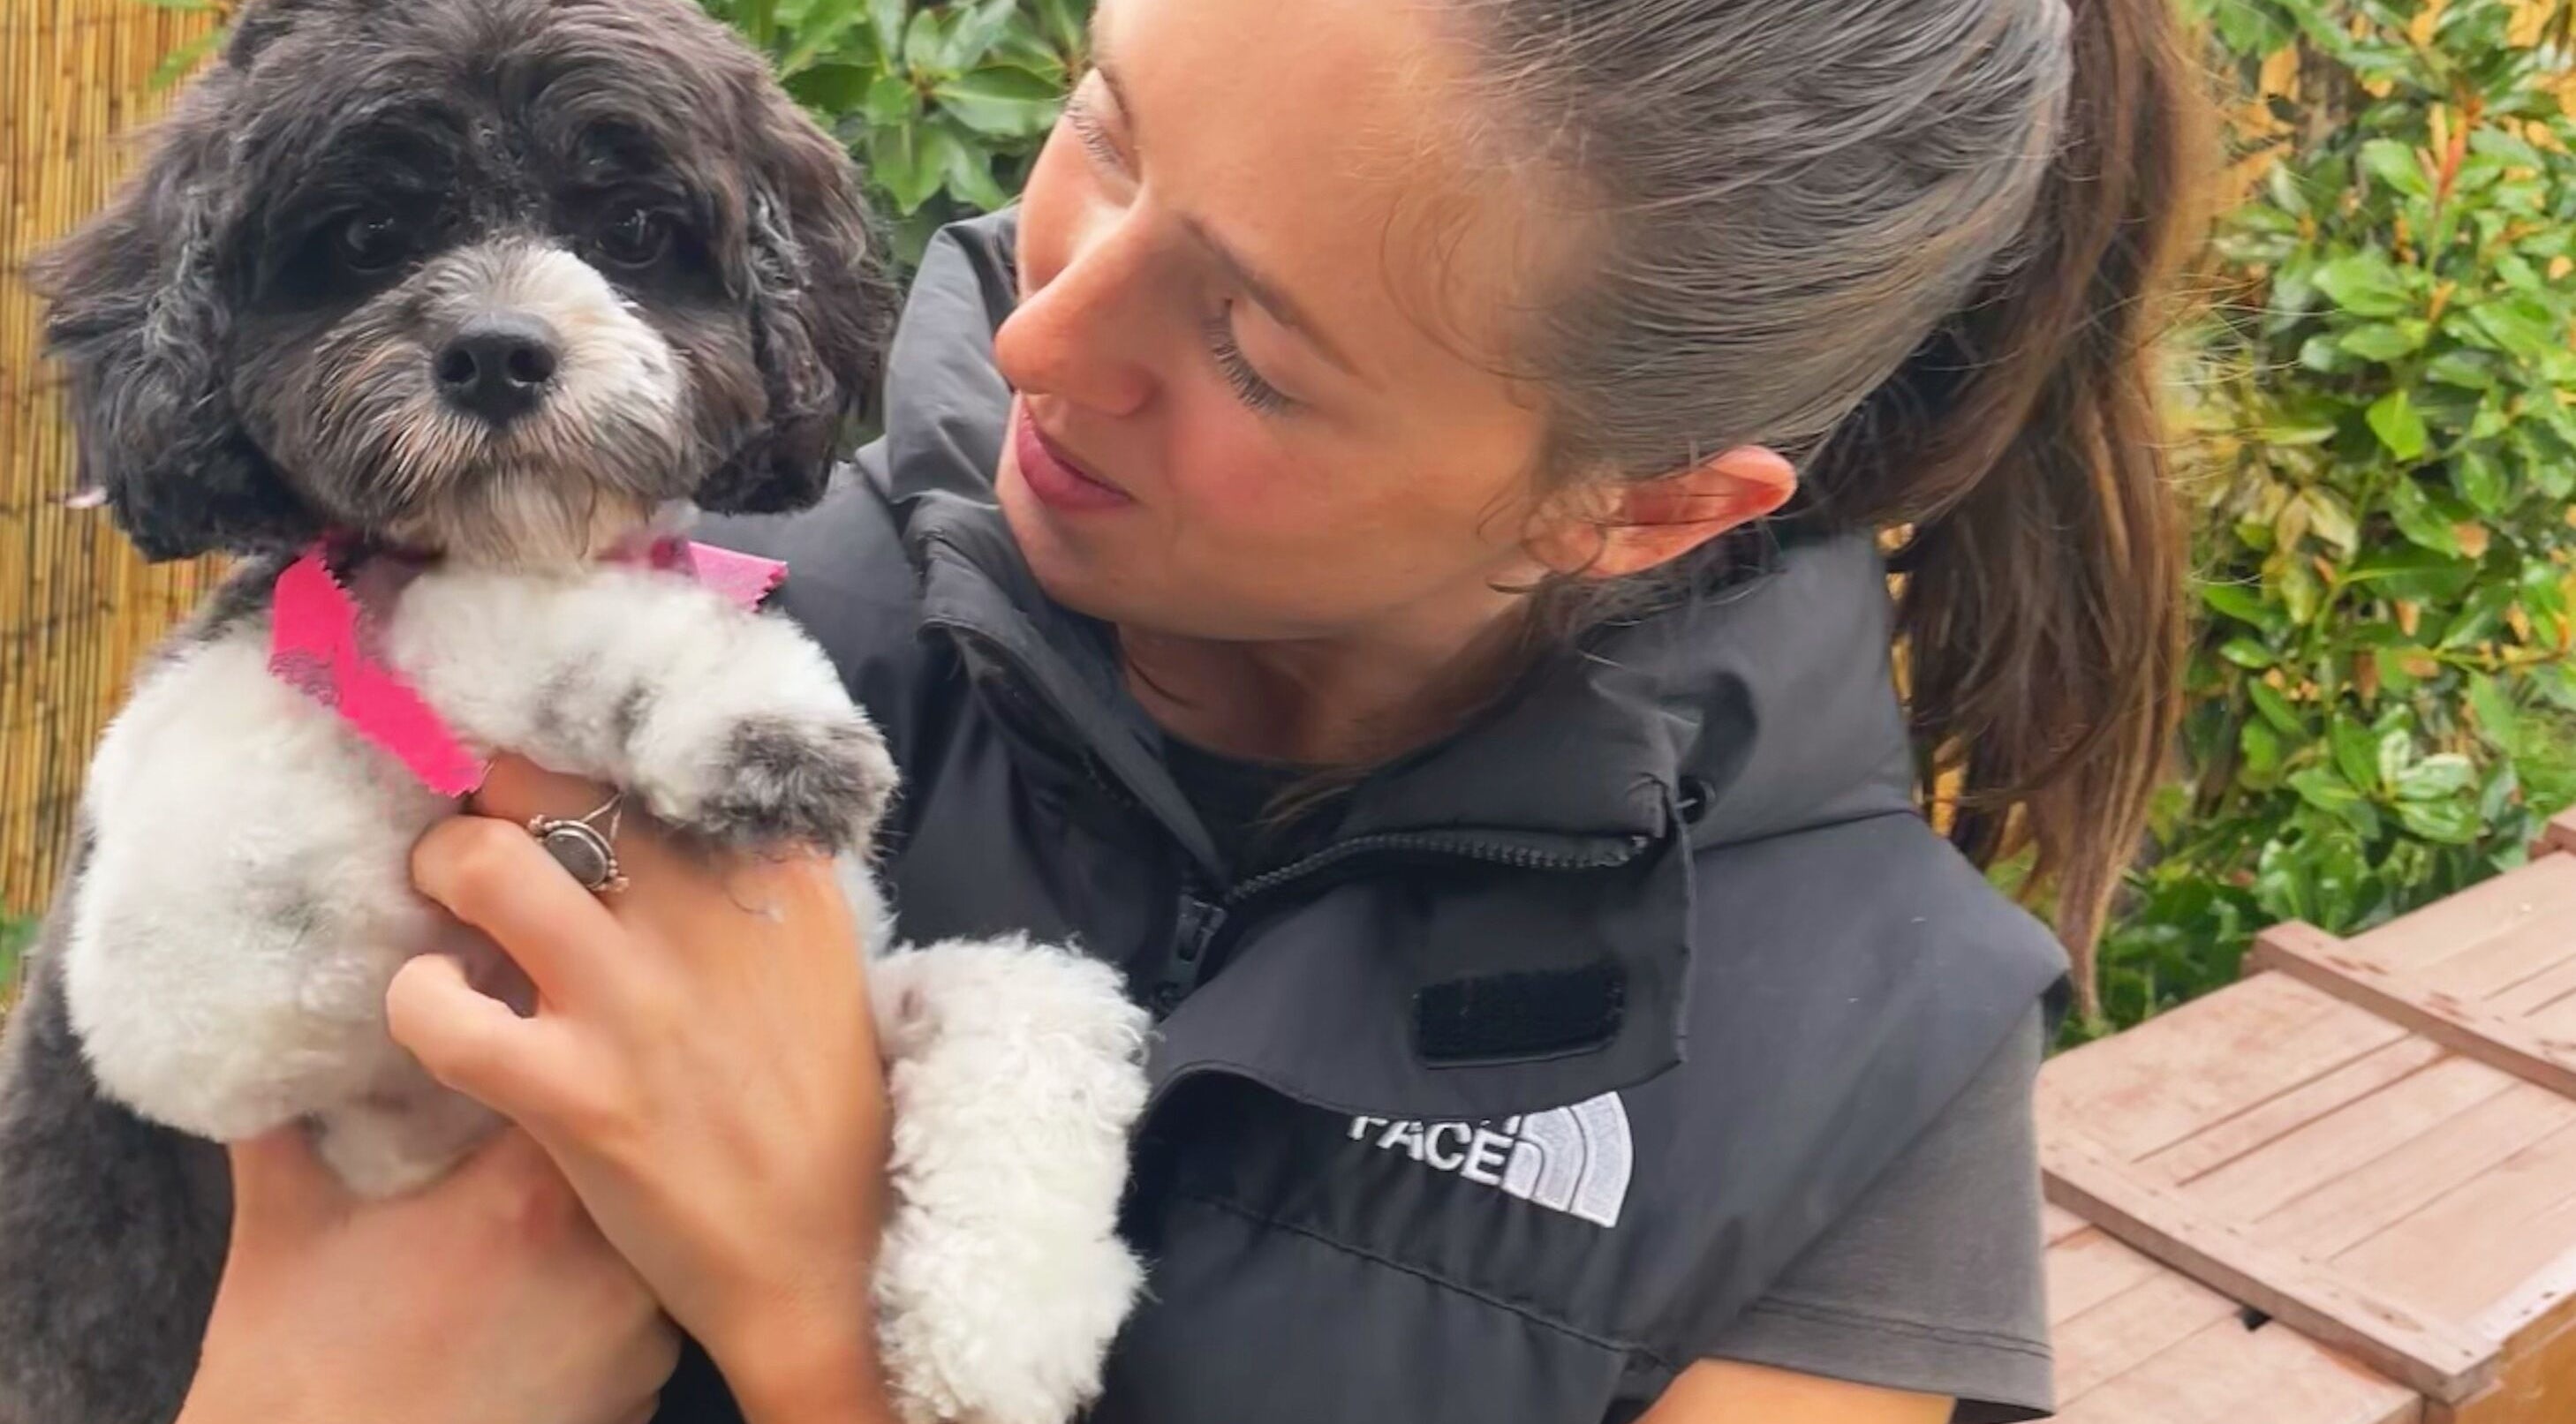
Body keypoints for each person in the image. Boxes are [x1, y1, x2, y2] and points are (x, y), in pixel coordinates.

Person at [168, 0, 2206, 1419]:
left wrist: (814, 1336)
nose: (1037, 330)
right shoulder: (659, 598)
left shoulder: (1862, 1069)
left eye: (1247, 345)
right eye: (1105, 123)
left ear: (1645, 503)